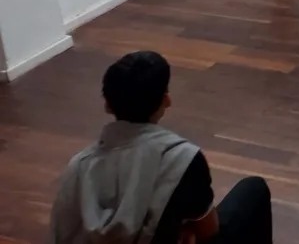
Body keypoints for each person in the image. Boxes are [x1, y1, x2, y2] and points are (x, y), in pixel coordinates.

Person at [50, 51, 273, 244]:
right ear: (166, 101)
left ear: (107, 105)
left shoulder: (77, 167)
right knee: (254, 190)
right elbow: (209, 231)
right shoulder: (183, 159)